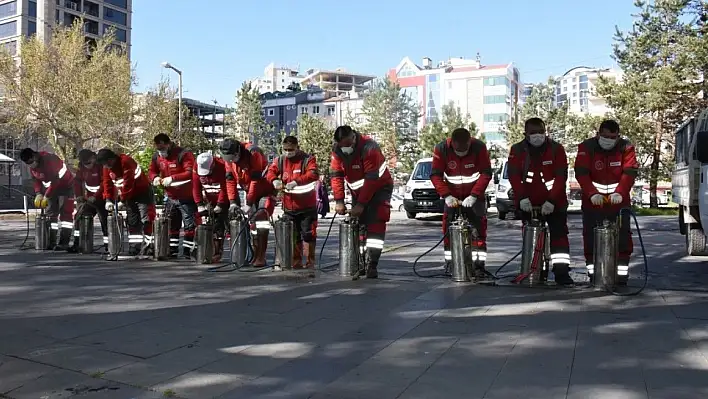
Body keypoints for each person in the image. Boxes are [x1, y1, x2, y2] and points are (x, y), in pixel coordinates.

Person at [507, 118, 573, 285]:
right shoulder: (517, 150)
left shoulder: (556, 149)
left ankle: (561, 273)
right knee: (532, 238)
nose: (537, 136)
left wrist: (551, 201)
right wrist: (522, 199)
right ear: (525, 134)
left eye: (540, 132)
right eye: (533, 133)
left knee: (559, 237)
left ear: (545, 132)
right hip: (528, 203)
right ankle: (535, 271)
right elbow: (514, 176)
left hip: (554, 202)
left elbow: (560, 178)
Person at [575, 119, 639, 286]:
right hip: (593, 202)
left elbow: (630, 172)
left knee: (623, 237)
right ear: (598, 134)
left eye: (612, 137)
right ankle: (594, 272)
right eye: (605, 136)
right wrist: (591, 193)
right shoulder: (586, 147)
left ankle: (621, 274)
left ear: (618, 136)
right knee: (590, 237)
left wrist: (620, 192)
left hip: (619, 202)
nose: (608, 140)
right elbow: (581, 172)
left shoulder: (626, 148)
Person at [330, 125, 393, 279]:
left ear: (353, 137)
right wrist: (339, 200)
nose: (345, 148)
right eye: (342, 146)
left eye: (347, 145)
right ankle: (359, 263)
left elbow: (371, 180)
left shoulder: (369, 147)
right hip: (358, 191)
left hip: (379, 188)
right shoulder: (337, 150)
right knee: (359, 224)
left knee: (376, 223)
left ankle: (372, 264)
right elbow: (336, 175)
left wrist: (361, 205)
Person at [430, 127, 493, 280]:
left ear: (469, 142)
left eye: (465, 149)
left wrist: (474, 195)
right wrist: (446, 195)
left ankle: (478, 266)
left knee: (478, 230)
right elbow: (435, 175)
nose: (462, 152)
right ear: (453, 143)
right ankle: (451, 263)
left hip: (474, 195)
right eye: (459, 150)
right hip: (452, 196)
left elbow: (486, 173)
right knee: (448, 229)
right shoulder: (442, 149)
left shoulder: (479, 147)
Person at [265, 136, 319, 269]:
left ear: (297, 147)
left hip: (307, 206)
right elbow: (270, 172)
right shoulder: (280, 160)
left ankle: (310, 262)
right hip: (289, 207)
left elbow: (313, 174)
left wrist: (297, 181)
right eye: (285, 149)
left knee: (308, 234)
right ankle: (296, 261)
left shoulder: (307, 159)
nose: (288, 152)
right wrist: (274, 180)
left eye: (291, 149)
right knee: (293, 235)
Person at [220, 138, 275, 267]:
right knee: (253, 226)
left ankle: (260, 256)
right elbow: (230, 180)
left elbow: (255, 181)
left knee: (261, 222)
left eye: (231, 158)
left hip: (264, 190)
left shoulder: (253, 153)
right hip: (249, 190)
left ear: (237, 152)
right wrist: (233, 202)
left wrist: (249, 203)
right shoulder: (229, 159)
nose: (230, 161)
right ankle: (253, 254)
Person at [96, 148, 155, 256]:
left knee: (146, 219)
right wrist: (108, 199)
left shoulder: (126, 162)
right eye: (104, 164)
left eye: (106, 163)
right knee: (132, 221)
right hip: (128, 196)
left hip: (142, 192)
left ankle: (150, 246)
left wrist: (122, 201)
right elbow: (107, 184)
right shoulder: (107, 168)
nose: (106, 166)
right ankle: (135, 247)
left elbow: (129, 183)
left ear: (111, 159)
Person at [149, 134, 198, 258]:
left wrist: (173, 178)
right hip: (171, 196)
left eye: (163, 148)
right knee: (172, 225)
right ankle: (172, 249)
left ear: (169, 144)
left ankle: (188, 251)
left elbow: (189, 172)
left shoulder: (183, 154)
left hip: (187, 197)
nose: (161, 152)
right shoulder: (157, 157)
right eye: (159, 149)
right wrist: (154, 177)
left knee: (189, 225)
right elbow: (152, 171)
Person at [20, 148, 75, 250]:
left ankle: (64, 242)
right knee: (50, 214)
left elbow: (55, 181)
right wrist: (38, 193)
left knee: (65, 215)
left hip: (66, 186)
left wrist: (46, 195)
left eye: (31, 162)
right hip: (51, 189)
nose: (31, 165)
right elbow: (36, 179)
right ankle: (51, 241)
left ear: (34, 155)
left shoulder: (49, 160)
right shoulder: (33, 167)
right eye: (28, 163)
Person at [70, 149, 111, 253]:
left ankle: (108, 246)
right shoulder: (82, 168)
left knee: (105, 221)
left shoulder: (101, 166)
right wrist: (79, 195)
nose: (87, 165)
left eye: (89, 163)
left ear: (93, 158)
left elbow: (104, 183)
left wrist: (96, 196)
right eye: (85, 164)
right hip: (89, 199)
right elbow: (77, 182)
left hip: (102, 198)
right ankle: (78, 243)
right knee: (80, 217)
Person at [193, 152, 231, 262]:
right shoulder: (197, 166)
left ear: (212, 164)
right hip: (208, 199)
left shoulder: (222, 166)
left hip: (224, 200)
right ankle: (205, 249)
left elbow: (225, 188)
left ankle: (218, 251)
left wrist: (220, 204)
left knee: (220, 225)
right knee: (207, 225)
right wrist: (199, 204)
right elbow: (195, 187)